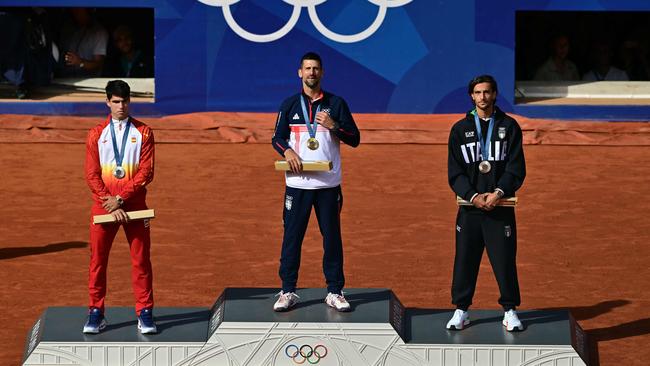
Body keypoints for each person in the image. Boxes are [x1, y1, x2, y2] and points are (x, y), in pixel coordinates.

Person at [271, 52, 360, 312]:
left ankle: (335, 291)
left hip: (328, 186)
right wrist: (286, 151)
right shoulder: (289, 105)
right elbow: (276, 138)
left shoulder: (336, 103)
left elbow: (355, 138)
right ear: (300, 73)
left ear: (322, 73)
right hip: (297, 185)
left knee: (332, 238)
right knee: (292, 238)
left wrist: (334, 125)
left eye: (316, 69)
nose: (311, 73)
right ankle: (287, 290)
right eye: (307, 68)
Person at [446, 75, 526, 331]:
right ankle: (461, 309)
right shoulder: (459, 129)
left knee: (504, 260)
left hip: (500, 209)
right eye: (478, 92)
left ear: (495, 95)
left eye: (488, 92)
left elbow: (516, 167)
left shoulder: (509, 126)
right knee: (465, 260)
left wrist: (498, 193)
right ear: (472, 96)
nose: (483, 97)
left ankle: (510, 310)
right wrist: (473, 196)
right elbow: (454, 172)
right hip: (470, 209)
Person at [83, 80, 156, 334]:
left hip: (134, 206)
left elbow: (146, 172)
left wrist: (121, 199)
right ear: (107, 102)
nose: (120, 106)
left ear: (129, 102)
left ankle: (145, 312)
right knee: (98, 261)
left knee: (141, 260)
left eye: (124, 101)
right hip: (103, 207)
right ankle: (96, 312)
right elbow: (92, 175)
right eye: (115, 101)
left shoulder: (144, 133)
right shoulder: (96, 134)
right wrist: (110, 202)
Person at [59, 8, 108, 77]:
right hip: (64, 78)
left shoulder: (99, 32)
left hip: (88, 81)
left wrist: (80, 62)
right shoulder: (69, 28)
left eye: (78, 11)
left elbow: (98, 64)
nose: (74, 14)